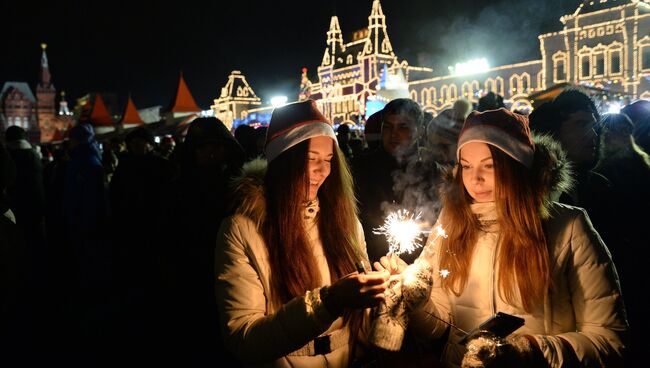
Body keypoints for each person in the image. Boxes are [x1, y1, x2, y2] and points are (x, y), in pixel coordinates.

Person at [382, 109, 628, 367]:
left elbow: (609, 339)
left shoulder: (567, 228)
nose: (475, 179)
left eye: (489, 166)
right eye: (466, 166)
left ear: (517, 165)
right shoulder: (451, 224)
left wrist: (528, 351)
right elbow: (439, 327)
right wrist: (417, 301)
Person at [215, 100, 389, 367]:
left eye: (329, 160)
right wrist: (329, 301)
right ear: (285, 160)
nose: (322, 172)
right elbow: (244, 338)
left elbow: (361, 320)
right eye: (312, 159)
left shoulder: (345, 221)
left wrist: (387, 295)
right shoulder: (243, 229)